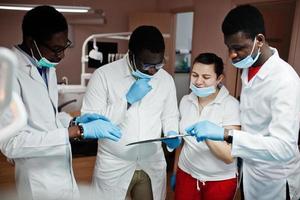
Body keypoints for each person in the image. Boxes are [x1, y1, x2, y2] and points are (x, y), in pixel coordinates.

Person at [0, 5, 121, 200]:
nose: (62, 55)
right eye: (56, 49)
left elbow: (48, 117)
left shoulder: (47, 66)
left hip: (61, 170)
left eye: (65, 46)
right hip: (37, 179)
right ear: (32, 42)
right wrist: (76, 132)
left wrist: (75, 122)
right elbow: (11, 143)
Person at [186, 4, 300, 200]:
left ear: (259, 40)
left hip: (276, 180)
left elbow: (284, 148)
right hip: (250, 171)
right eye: (229, 47)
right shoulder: (249, 69)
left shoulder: (285, 80)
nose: (231, 54)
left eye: (238, 48)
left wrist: (226, 134)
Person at [81, 25, 181, 200]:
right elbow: (90, 122)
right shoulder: (103, 75)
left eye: (158, 64)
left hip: (151, 162)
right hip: (114, 163)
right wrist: (127, 101)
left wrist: (172, 132)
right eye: (147, 64)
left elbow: (169, 115)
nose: (152, 70)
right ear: (131, 54)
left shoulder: (165, 79)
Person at [171, 53, 241, 200]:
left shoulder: (231, 105)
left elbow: (229, 156)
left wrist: (208, 136)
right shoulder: (185, 101)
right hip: (186, 173)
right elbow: (181, 141)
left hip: (219, 180)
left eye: (206, 77)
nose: (198, 81)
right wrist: (175, 171)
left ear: (219, 79)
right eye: (195, 75)